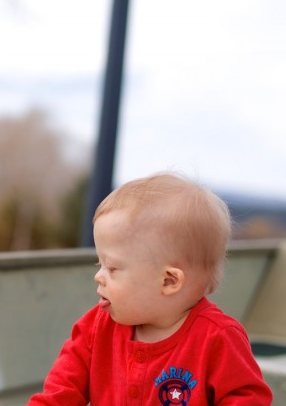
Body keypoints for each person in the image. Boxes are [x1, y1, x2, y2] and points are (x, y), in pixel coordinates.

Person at [28, 173, 273, 405]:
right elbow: (59, 394)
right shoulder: (95, 329)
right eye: (99, 264)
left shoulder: (218, 338)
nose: (98, 276)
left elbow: (247, 398)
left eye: (112, 268)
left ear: (169, 281)